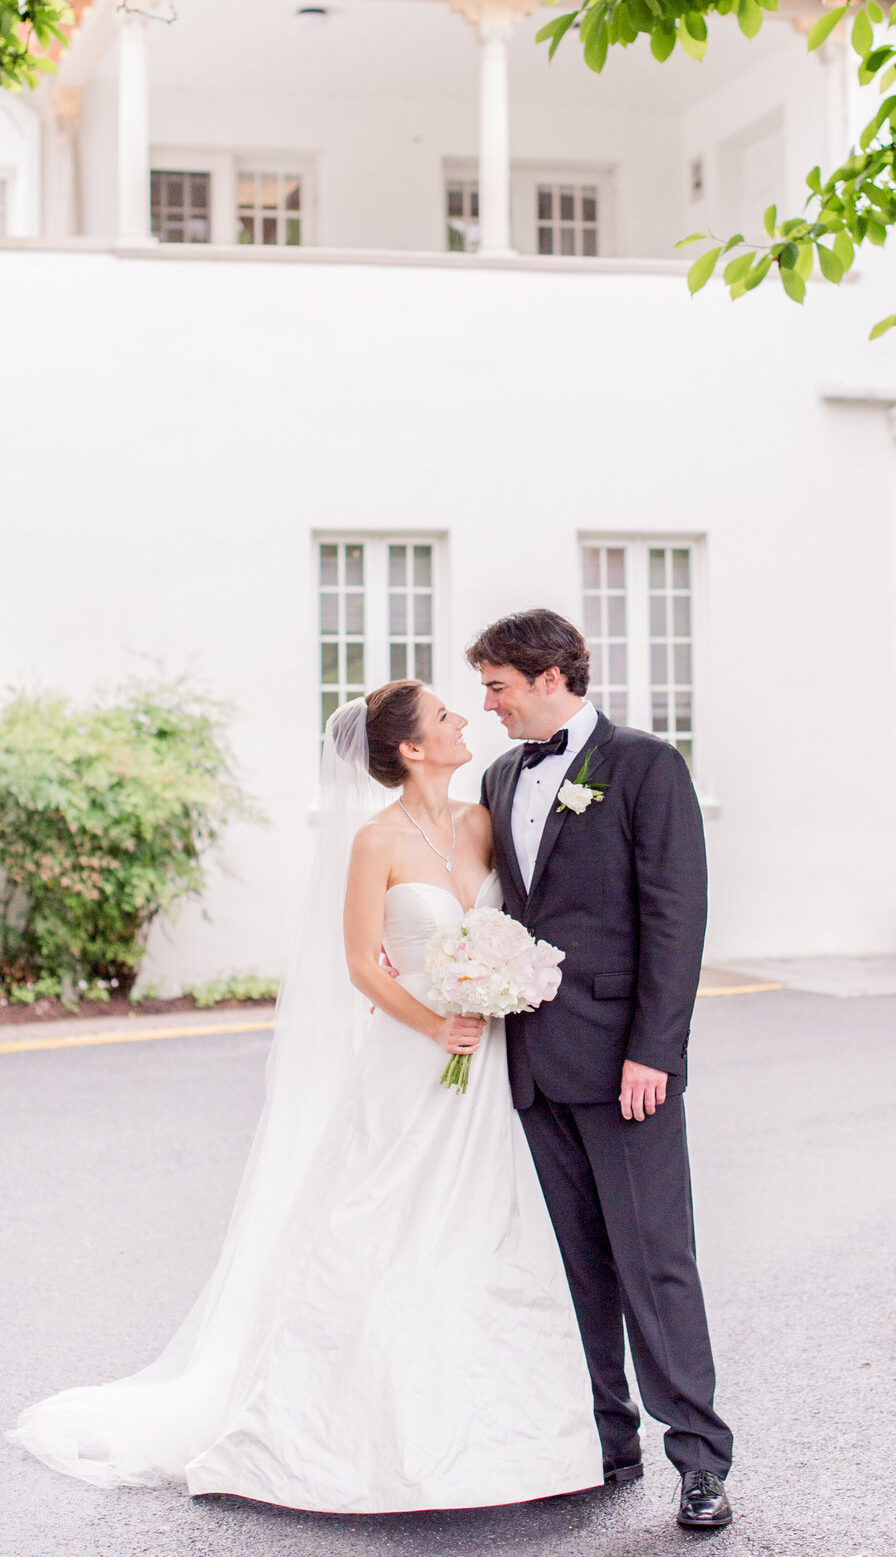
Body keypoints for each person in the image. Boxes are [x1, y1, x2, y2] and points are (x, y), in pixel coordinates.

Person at [8, 681, 602, 1512]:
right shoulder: (374, 840)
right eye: (444, 716)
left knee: (482, 1228)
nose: (463, 719)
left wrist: (500, 981)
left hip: (487, 1063)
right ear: (410, 749)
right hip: (414, 1059)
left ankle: (499, 1435)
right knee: (387, 1228)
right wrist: (436, 1024)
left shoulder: (480, 822)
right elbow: (362, 961)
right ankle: (351, 1437)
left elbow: (513, 921)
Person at [469, 609, 734, 1532]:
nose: (489, 704)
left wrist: (655, 1050)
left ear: (549, 677)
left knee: (655, 1262)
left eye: (497, 686)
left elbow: (676, 915)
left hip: (627, 1067)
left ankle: (700, 1456)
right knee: (578, 1265)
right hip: (535, 1065)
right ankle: (605, 1438)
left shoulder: (646, 765)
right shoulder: (501, 776)